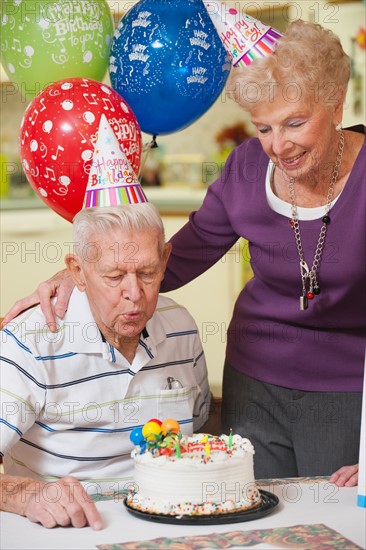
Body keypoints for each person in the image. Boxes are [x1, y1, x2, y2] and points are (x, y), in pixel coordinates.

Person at [2, 20, 365, 486]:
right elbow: (172, 258)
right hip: (255, 377)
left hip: (348, 385)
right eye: (264, 128)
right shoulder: (248, 168)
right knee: (261, 513)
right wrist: (85, 276)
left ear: (336, 102)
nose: (279, 145)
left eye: (295, 123)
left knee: (338, 520)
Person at [0, 203, 210, 528]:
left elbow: (198, 432)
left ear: (165, 260)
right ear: (78, 271)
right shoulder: (30, 343)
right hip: (67, 532)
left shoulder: (181, 326)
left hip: (172, 525)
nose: (134, 294)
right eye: (114, 276)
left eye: (147, 273)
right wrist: (27, 495)